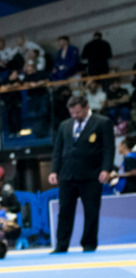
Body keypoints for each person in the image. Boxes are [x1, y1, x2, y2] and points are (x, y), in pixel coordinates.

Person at [49, 95, 115, 253]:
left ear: (86, 107)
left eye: (78, 112)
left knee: (91, 211)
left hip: (91, 175)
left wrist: (106, 169)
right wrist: (54, 171)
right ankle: (61, 245)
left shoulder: (102, 122)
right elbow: (58, 150)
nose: (75, 116)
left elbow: (108, 148)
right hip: (67, 175)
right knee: (64, 211)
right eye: (72, 113)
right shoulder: (65, 125)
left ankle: (89, 243)